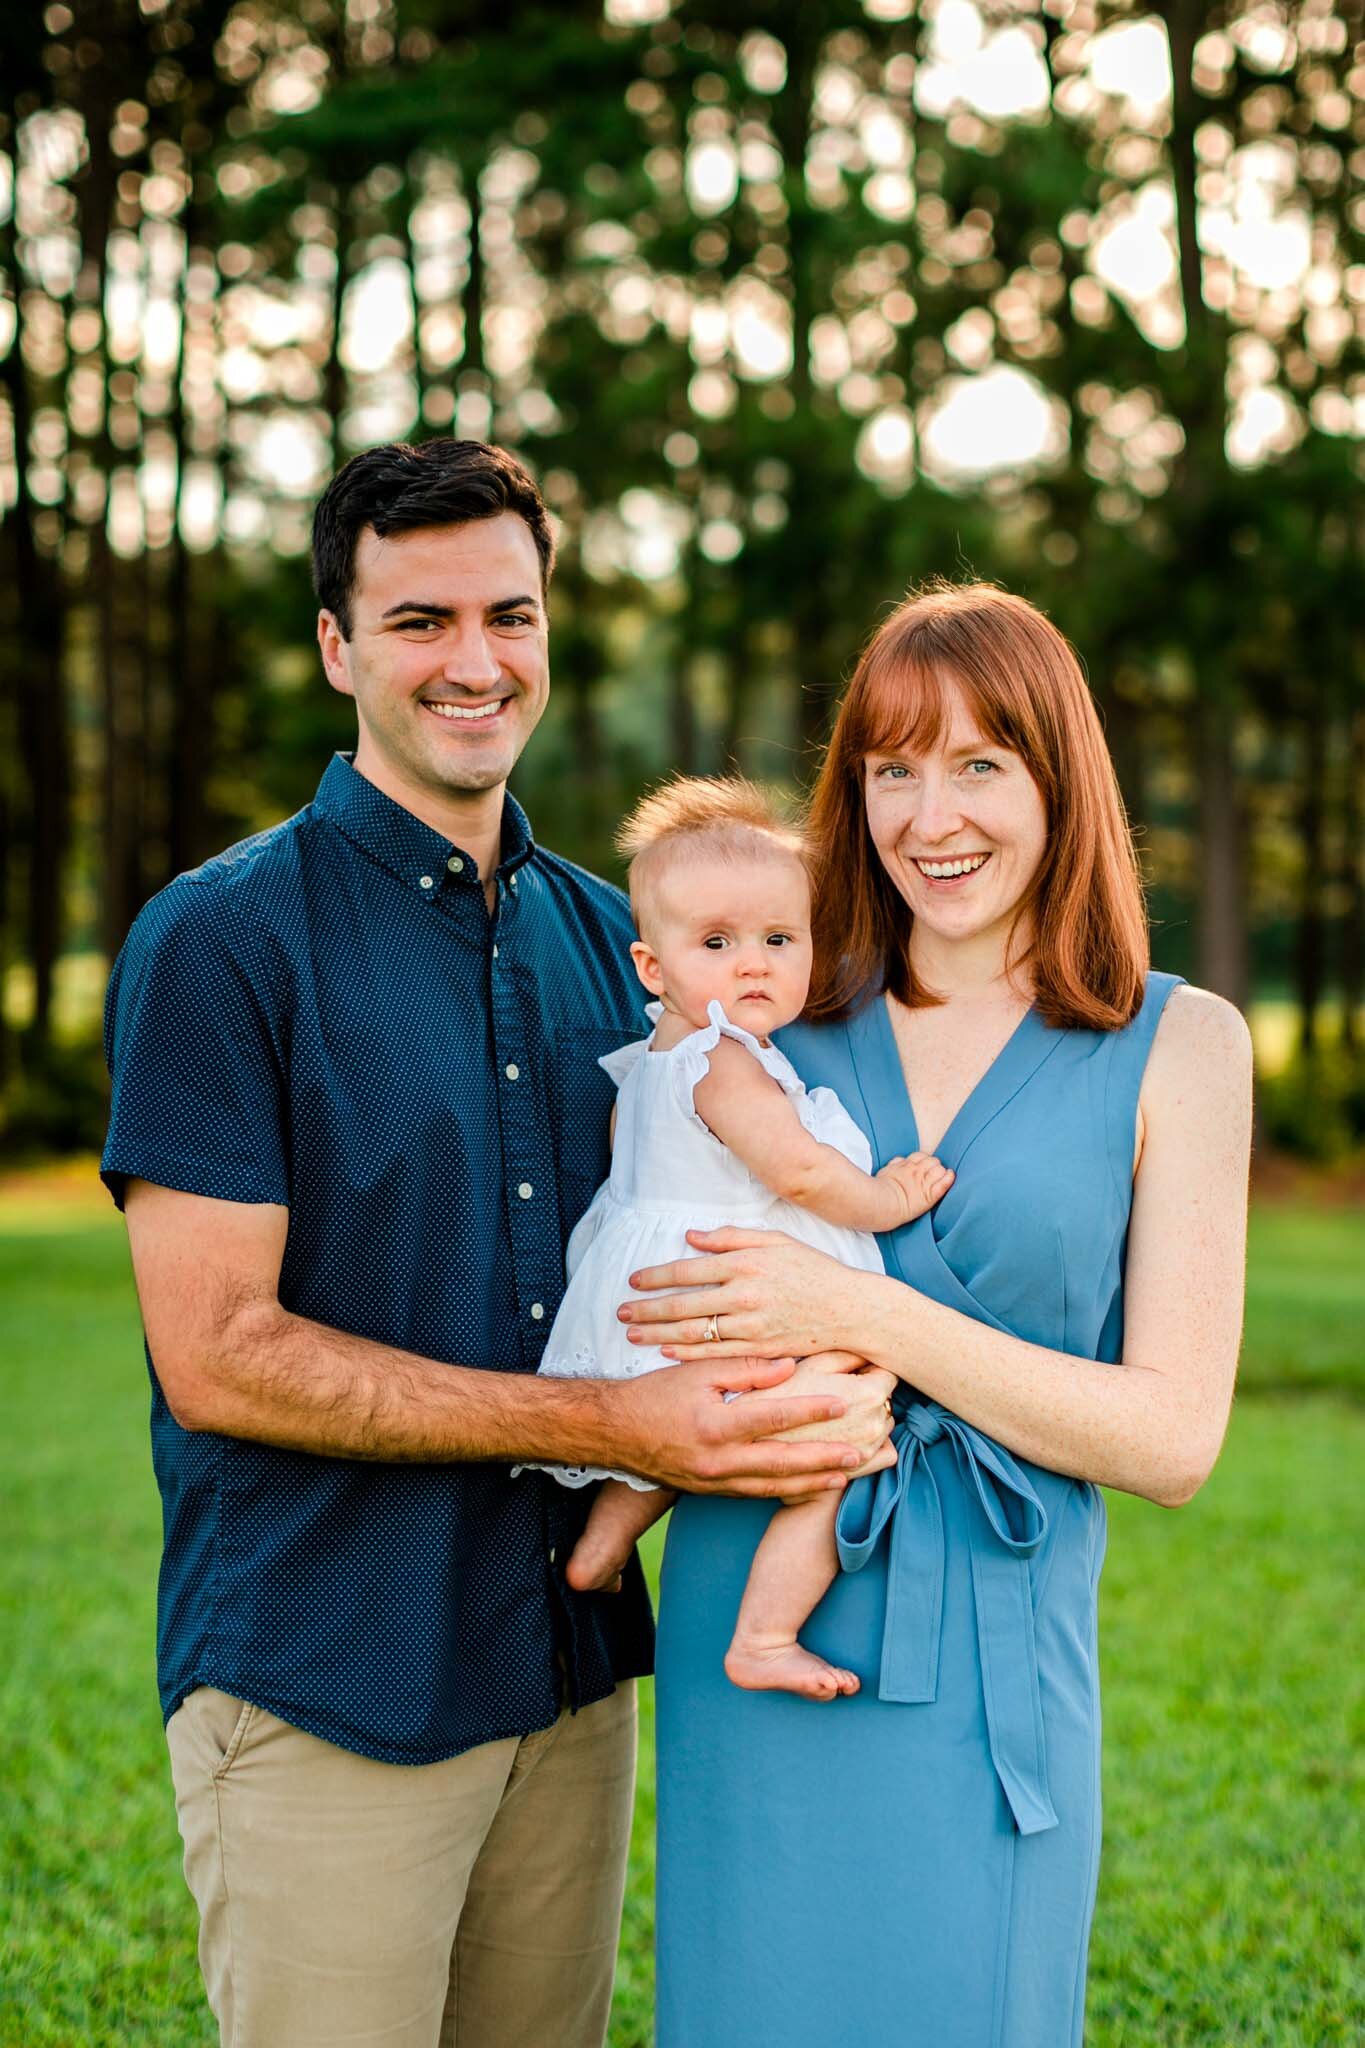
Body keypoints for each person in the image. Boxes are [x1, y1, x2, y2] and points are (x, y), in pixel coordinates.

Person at [100, 438, 891, 2048]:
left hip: (569, 1675)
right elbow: (219, 1353)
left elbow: (741, 1194)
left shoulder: (627, 942)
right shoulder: (225, 939)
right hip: (332, 1676)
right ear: (338, 646)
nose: (476, 662)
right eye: (418, 622)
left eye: (510, 616)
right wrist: (615, 1428)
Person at [625, 582, 1253, 2046]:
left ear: (1059, 779)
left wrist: (867, 1316)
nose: (931, 814)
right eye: (890, 768)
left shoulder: (1180, 1042)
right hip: (752, 1627)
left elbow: (1171, 1439)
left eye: (980, 765)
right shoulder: (771, 1023)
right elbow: (648, 1258)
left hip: (992, 1657)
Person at [520, 775, 952, 1700]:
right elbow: (793, 1169)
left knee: (668, 1446)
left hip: (655, 1300)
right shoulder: (724, 1058)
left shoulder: (648, 1061)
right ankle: (764, 1633)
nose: (752, 964)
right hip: (731, 1293)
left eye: (777, 939)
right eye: (717, 943)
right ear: (651, 966)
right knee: (835, 1444)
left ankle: (599, 1547)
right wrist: (883, 1199)